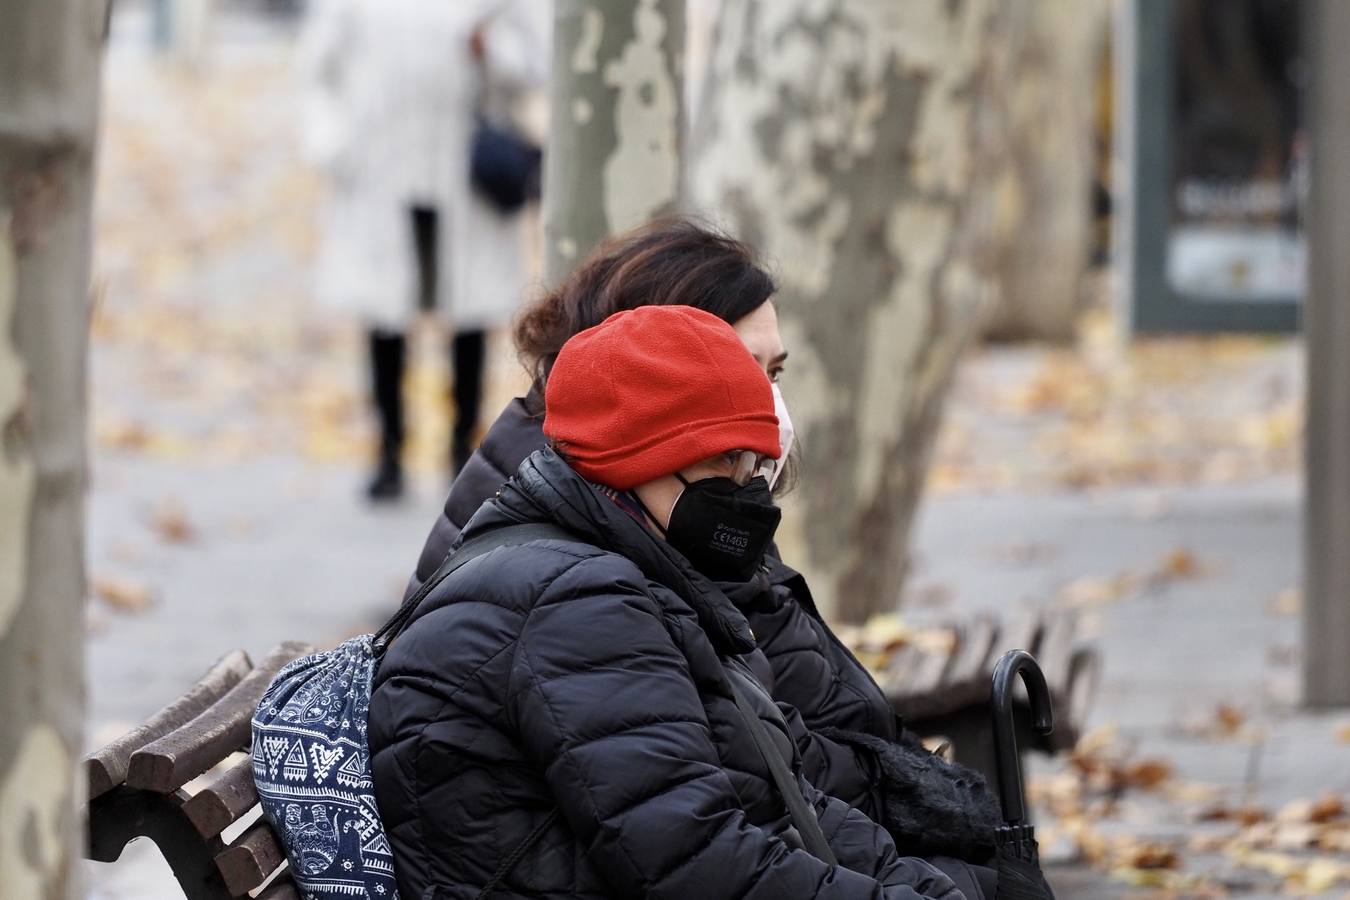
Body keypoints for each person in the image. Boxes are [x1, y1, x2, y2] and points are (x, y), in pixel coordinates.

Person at [402, 218, 1005, 868]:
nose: (765, 404)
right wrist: (915, 807)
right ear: (655, 366)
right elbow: (711, 830)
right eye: (741, 370)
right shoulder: (595, 558)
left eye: (774, 373)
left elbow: (765, 766)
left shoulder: (663, 507)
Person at [298, 0, 547, 500]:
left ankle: (461, 451)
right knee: (386, 316)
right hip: (382, 170)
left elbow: (536, 64)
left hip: (464, 172)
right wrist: (333, 146)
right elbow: (316, 67)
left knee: (468, 318)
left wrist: (492, 52)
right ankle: (389, 452)